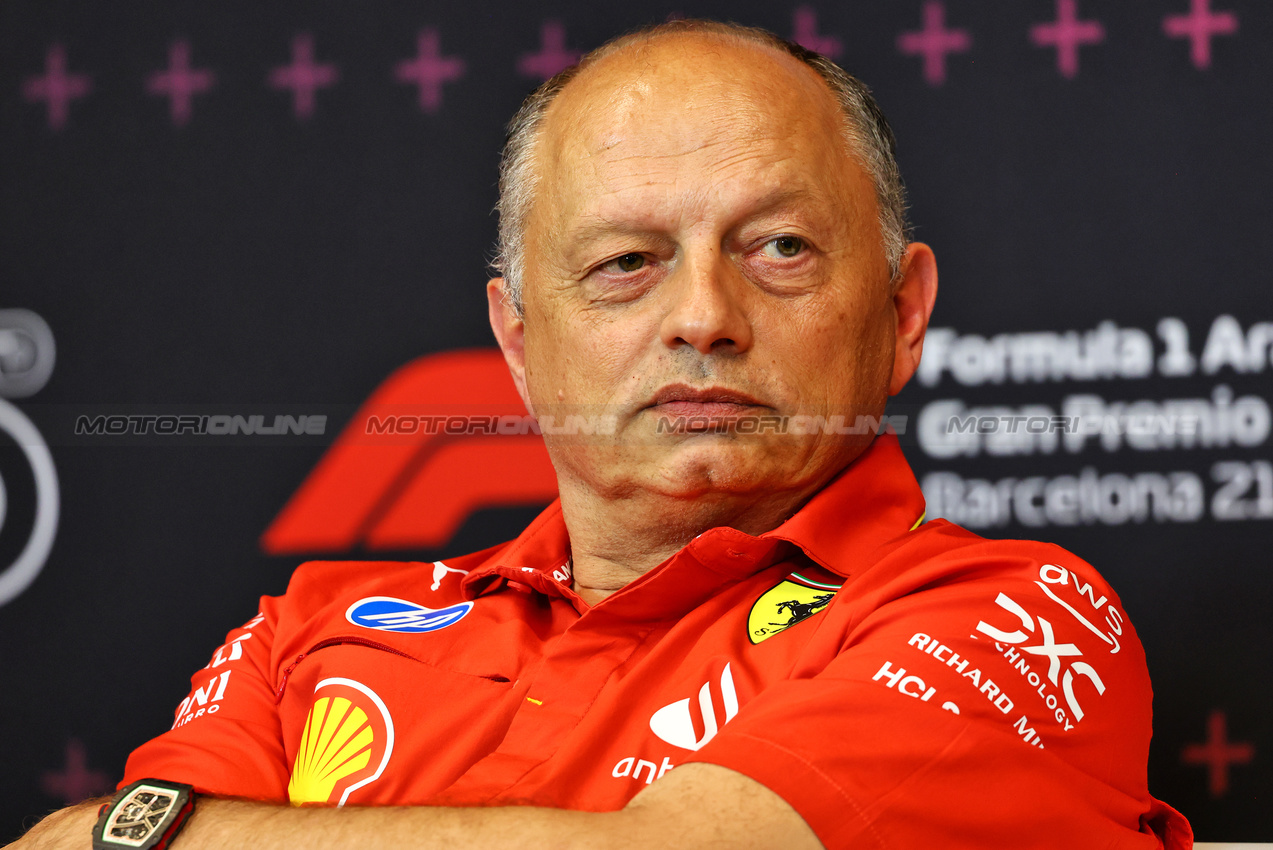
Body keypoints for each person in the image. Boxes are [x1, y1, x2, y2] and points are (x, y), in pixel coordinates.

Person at [13, 19, 1191, 850]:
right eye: (626, 263)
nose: (703, 318)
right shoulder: (302, 635)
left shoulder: (1014, 617)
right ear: (519, 340)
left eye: (779, 247)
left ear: (902, 312)